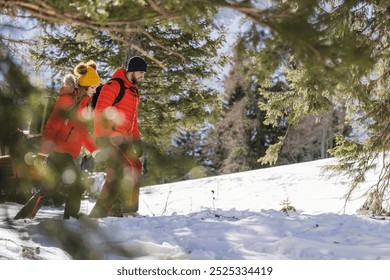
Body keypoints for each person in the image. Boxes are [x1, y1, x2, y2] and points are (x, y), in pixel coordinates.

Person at [15, 60, 101, 220]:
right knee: (76, 185)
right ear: (84, 86)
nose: (95, 91)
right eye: (93, 87)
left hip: (69, 153)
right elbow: (51, 127)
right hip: (58, 151)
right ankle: (71, 218)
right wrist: (42, 155)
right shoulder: (67, 101)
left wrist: (95, 151)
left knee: (49, 188)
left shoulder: (83, 104)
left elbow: (82, 131)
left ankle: (23, 217)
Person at [89, 56, 147, 218]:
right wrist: (100, 138)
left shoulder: (134, 92)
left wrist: (137, 140)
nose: (142, 76)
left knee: (131, 169)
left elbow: (133, 121)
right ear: (132, 70)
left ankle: (117, 211)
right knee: (125, 168)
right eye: (141, 72)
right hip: (109, 138)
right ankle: (120, 211)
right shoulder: (113, 86)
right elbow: (99, 112)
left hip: (124, 140)